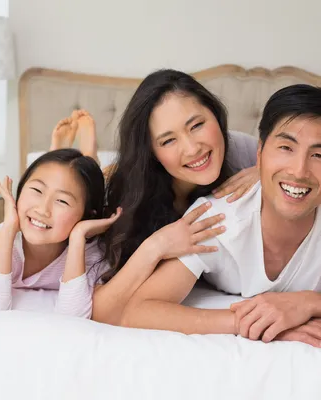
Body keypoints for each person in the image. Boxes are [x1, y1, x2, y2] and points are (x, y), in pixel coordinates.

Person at [118, 84, 321, 348]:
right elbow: (138, 311)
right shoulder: (215, 217)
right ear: (260, 154)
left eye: (318, 155)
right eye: (286, 148)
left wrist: (311, 304)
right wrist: (247, 322)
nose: (299, 171)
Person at [82, 69, 260, 325]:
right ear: (151, 152)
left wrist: (266, 172)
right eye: (168, 141)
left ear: (216, 115)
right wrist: (157, 245)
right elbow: (103, 313)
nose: (192, 148)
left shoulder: (241, 151)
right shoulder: (127, 199)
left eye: (197, 125)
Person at [0, 149, 120, 318]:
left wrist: (78, 236)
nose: (42, 210)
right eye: (37, 190)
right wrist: (8, 228)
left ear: (87, 215)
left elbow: (73, 319)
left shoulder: (92, 256)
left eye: (62, 201)